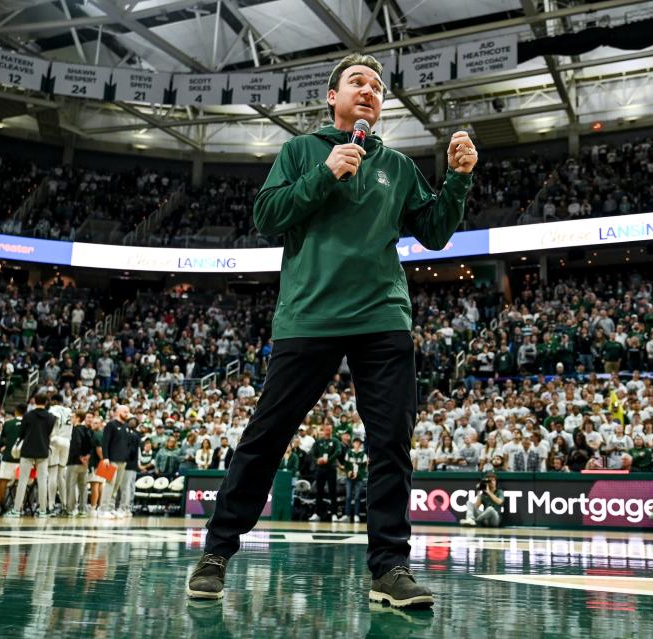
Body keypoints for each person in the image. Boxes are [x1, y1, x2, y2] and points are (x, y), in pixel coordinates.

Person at [188, 52, 476, 609]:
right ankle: (216, 551)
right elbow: (268, 216)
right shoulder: (301, 151)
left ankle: (389, 569)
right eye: (357, 82)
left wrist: (459, 180)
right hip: (309, 316)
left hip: (383, 317)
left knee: (390, 443)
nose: (369, 90)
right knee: (266, 438)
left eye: (377, 85)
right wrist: (325, 175)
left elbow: (436, 234)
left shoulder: (398, 166)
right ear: (331, 97)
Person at [9, 393, 55, 518]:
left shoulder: (28, 416)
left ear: (34, 401)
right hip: (43, 451)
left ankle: (17, 509)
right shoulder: (51, 417)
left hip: (28, 450)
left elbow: (21, 433)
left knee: (23, 480)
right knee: (42, 481)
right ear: (46, 402)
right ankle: (43, 510)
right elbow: (49, 433)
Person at [97, 404, 132, 518]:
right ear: (118, 411)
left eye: (128, 412)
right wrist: (105, 458)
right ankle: (102, 509)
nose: (127, 414)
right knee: (109, 484)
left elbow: (127, 444)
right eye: (125, 411)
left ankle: (111, 508)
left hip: (122, 461)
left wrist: (126, 458)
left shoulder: (127, 426)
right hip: (111, 460)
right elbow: (105, 442)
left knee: (116, 486)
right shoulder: (110, 425)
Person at [0, 404, 24, 515]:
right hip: (23, 459)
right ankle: (19, 507)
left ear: (16, 411)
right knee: (22, 483)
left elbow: (3, 440)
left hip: (8, 457)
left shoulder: (8, 423)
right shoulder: (28, 424)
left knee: (2, 481)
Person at [309, 424, 341, 521]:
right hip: (320, 469)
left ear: (331, 430)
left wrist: (329, 460)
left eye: (329, 430)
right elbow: (312, 453)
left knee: (332, 491)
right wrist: (317, 460)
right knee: (319, 491)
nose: (327, 431)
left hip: (331, 469)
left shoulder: (335, 441)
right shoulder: (318, 442)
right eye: (326, 430)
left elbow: (338, 451)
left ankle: (334, 514)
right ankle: (317, 513)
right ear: (323, 431)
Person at [65, 410, 93, 517]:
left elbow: (77, 444)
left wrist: (80, 457)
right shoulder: (87, 429)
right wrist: (87, 458)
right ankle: (83, 509)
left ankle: (70, 509)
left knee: (71, 486)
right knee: (83, 487)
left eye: (73, 416)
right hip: (85, 464)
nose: (71, 418)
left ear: (78, 418)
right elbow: (92, 445)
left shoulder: (76, 429)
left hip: (74, 462)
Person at [343, 437, 368, 523]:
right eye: (356, 443)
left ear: (360, 444)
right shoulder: (349, 453)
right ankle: (347, 515)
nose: (357, 444)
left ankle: (356, 515)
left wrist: (358, 473)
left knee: (357, 497)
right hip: (349, 478)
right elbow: (346, 466)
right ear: (353, 444)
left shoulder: (363, 454)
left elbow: (364, 467)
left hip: (359, 478)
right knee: (348, 496)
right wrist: (348, 472)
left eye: (359, 443)